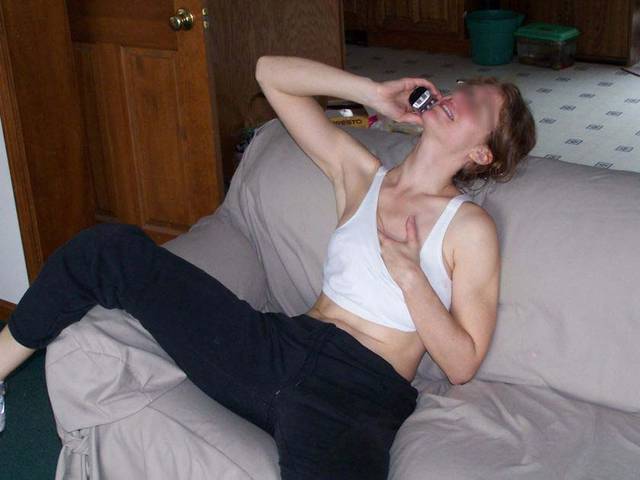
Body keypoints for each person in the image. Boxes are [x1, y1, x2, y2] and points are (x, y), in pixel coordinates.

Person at [0, 55, 536, 479]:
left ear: (481, 155)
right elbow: (269, 75)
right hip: (276, 348)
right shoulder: (359, 173)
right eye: (465, 89)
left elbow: (461, 363)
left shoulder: (469, 227)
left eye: (478, 105)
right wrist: (371, 93)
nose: (459, 96)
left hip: (358, 392)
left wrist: (410, 276)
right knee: (108, 249)